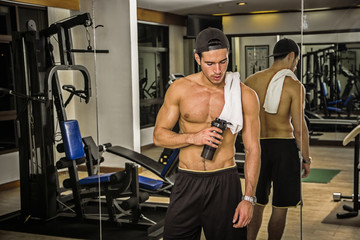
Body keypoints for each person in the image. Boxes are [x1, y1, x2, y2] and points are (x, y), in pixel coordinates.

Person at [153, 27, 261, 240]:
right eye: (210, 63)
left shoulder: (244, 95)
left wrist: (248, 198)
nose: (218, 70)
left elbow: (253, 149)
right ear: (197, 58)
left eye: (223, 61)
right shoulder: (180, 89)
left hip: (224, 181)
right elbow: (159, 136)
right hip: (187, 180)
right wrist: (193, 137)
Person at [244, 38, 311, 240]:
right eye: (297, 61)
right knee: (280, 207)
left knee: (255, 203)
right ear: (291, 56)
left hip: (258, 146)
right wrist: (306, 158)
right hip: (284, 147)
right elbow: (300, 130)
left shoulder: (251, 81)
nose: (295, 65)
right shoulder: (294, 85)